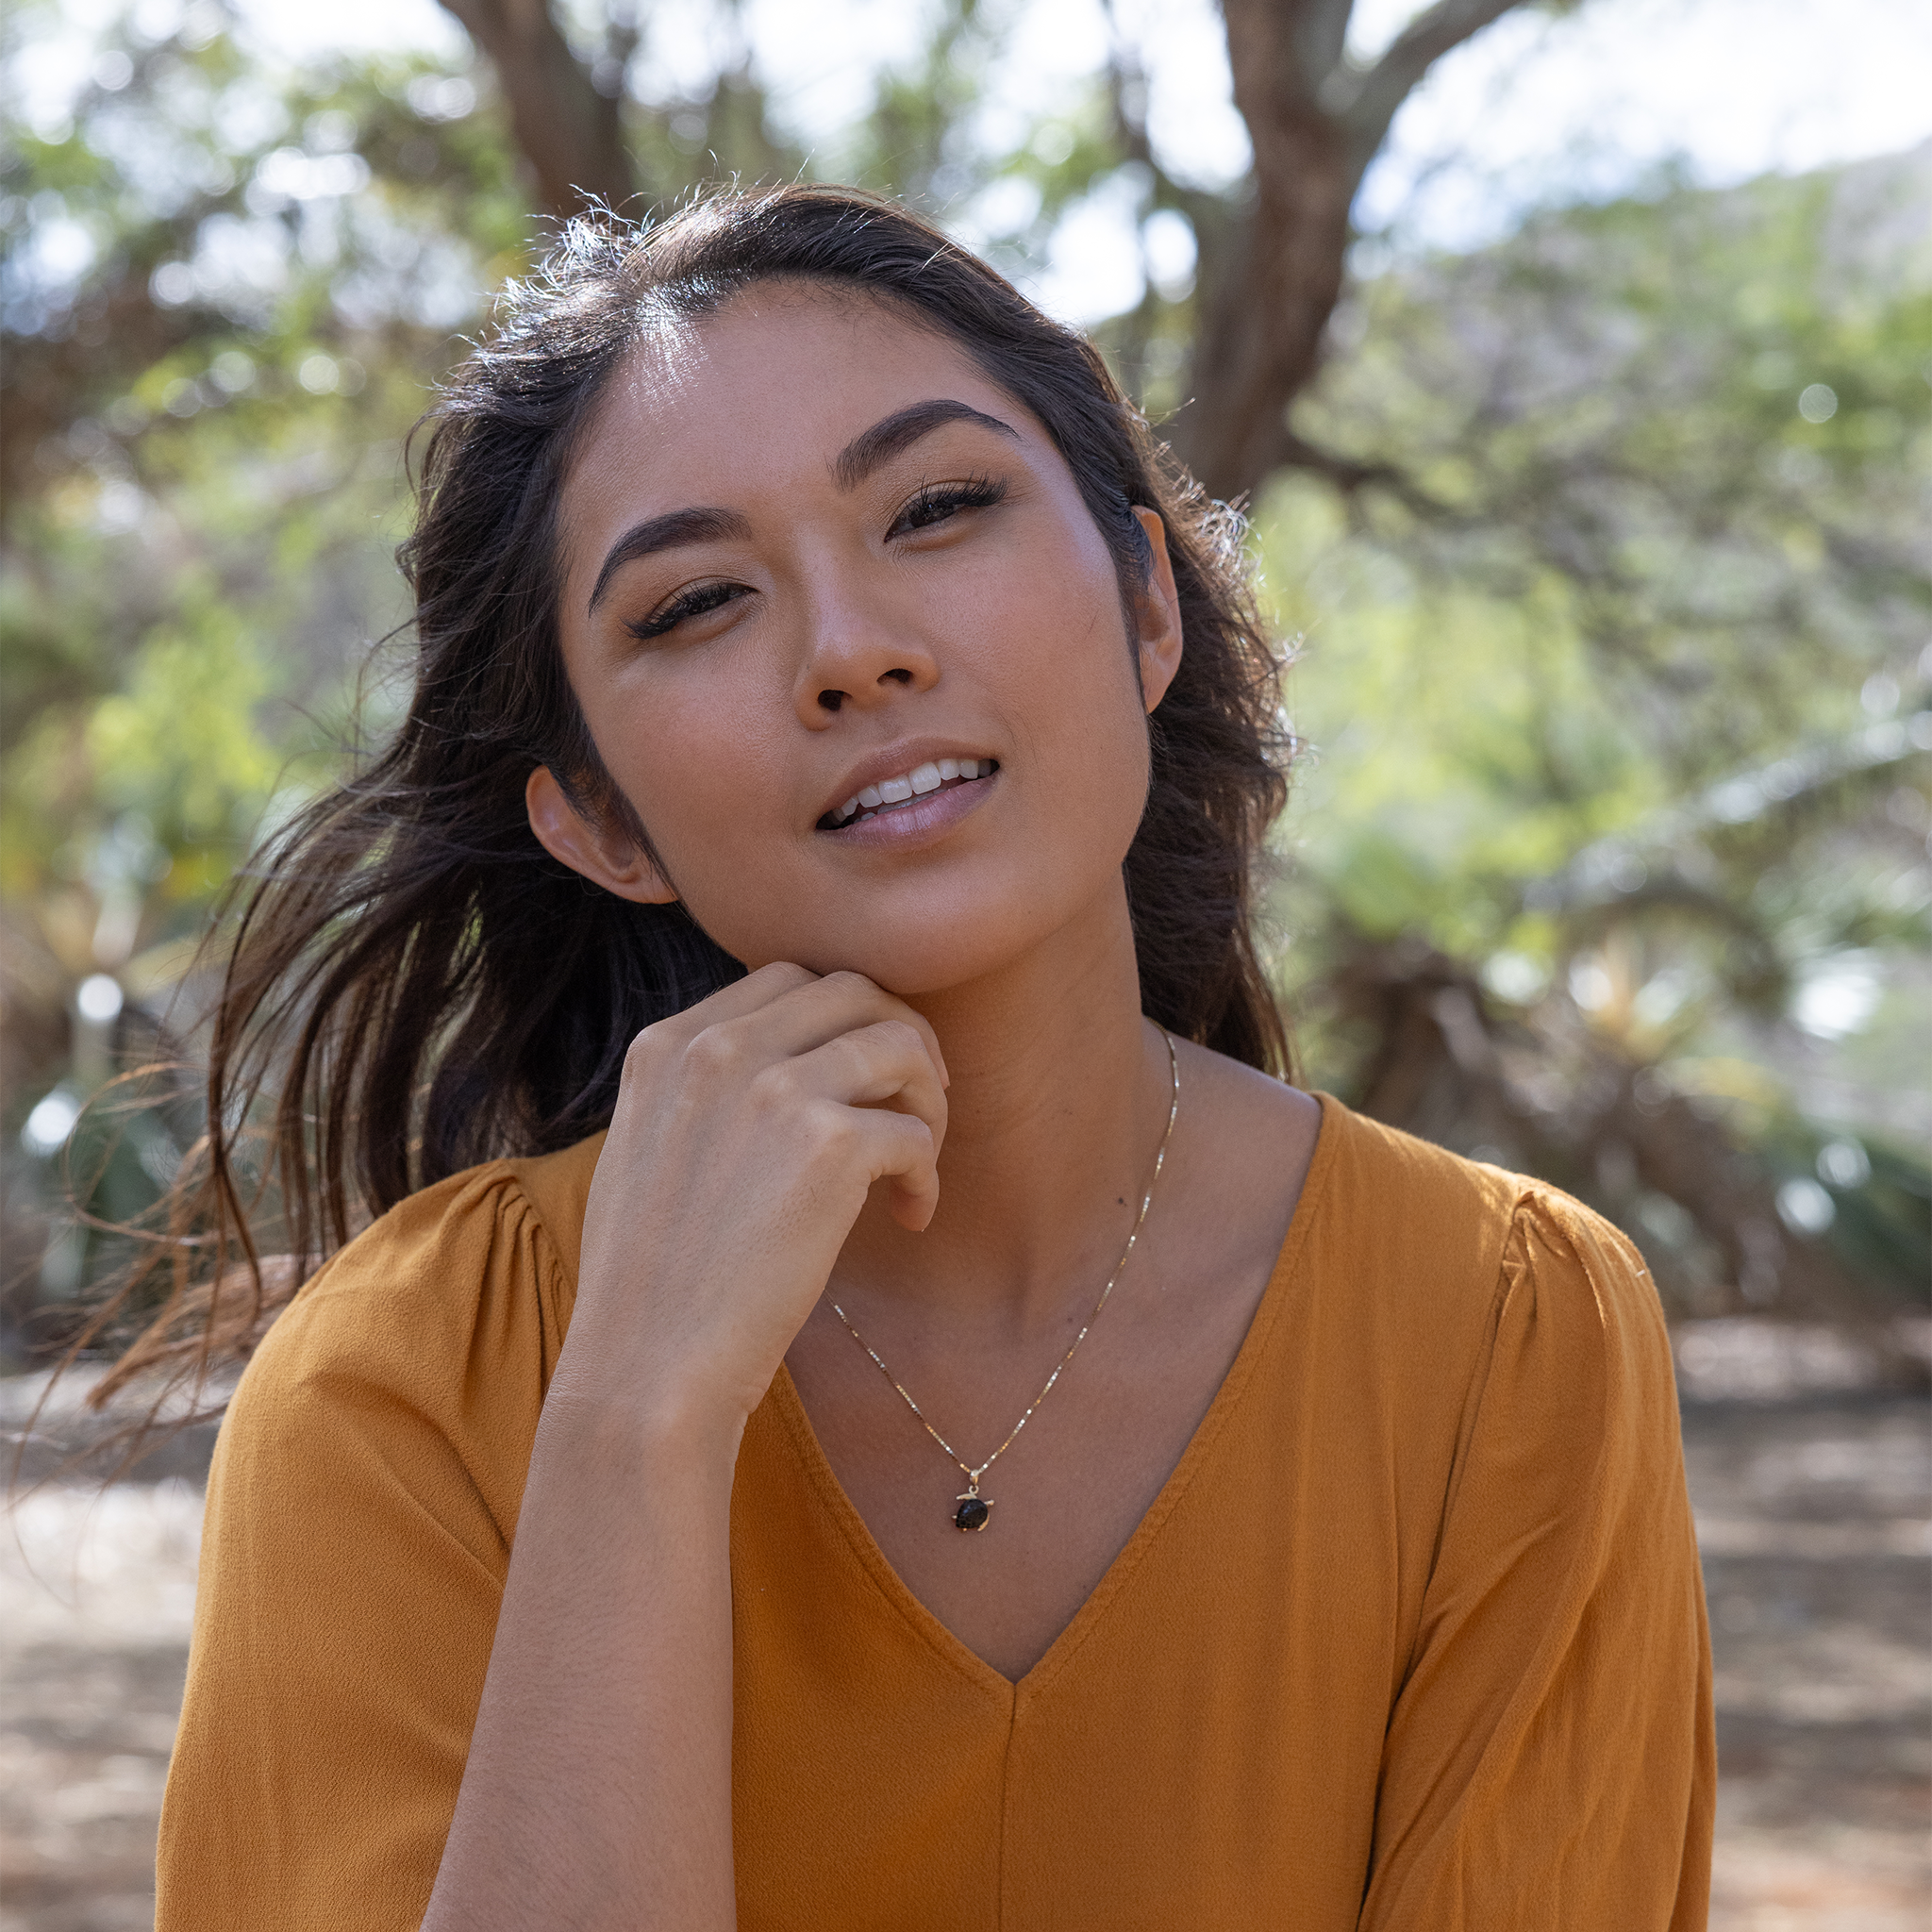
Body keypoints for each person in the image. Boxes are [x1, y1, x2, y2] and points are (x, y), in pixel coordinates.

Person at [144, 186, 1713, 1928]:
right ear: (599, 820)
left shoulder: (1509, 1328)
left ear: (1145, 611)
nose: (852, 650)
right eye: (692, 606)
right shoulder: (403, 1394)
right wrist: (636, 1426)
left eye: (942, 505)